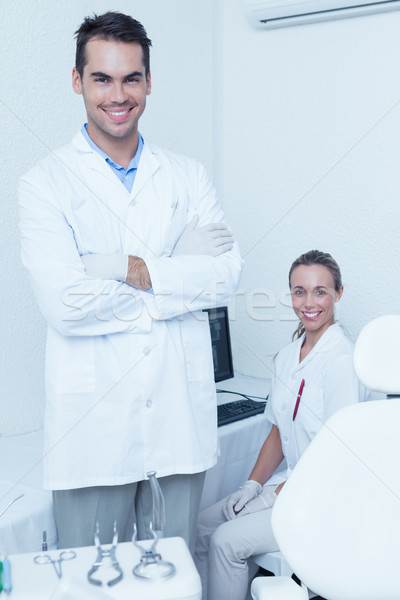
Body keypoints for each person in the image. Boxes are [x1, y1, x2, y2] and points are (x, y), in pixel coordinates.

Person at [18, 11, 242, 552]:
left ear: (148, 81)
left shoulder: (188, 176)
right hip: (93, 433)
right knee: (92, 584)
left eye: (131, 78)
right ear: (78, 81)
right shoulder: (44, 183)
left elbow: (223, 279)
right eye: (102, 78)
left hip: (177, 422)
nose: (118, 95)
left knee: (175, 575)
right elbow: (65, 304)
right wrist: (171, 271)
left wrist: (120, 266)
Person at [195, 250, 369, 600]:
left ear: (338, 294)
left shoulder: (341, 361)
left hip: (322, 498)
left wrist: (276, 494)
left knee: (227, 541)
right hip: (285, 487)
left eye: (320, 291)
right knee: (201, 527)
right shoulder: (289, 355)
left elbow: (340, 455)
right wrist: (250, 486)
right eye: (299, 291)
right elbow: (278, 432)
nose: (309, 302)